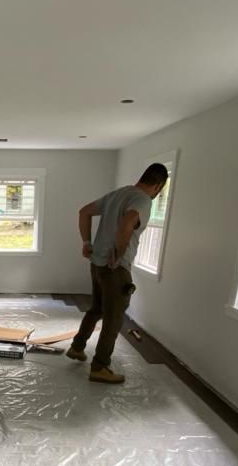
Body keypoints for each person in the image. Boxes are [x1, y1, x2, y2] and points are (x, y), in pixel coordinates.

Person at [66, 163, 169, 383]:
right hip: (115, 269)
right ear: (158, 186)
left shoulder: (119, 194)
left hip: (97, 264)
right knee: (113, 319)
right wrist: (119, 254)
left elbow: (84, 212)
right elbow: (129, 221)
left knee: (96, 309)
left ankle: (77, 347)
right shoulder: (143, 200)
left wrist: (86, 242)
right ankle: (100, 367)